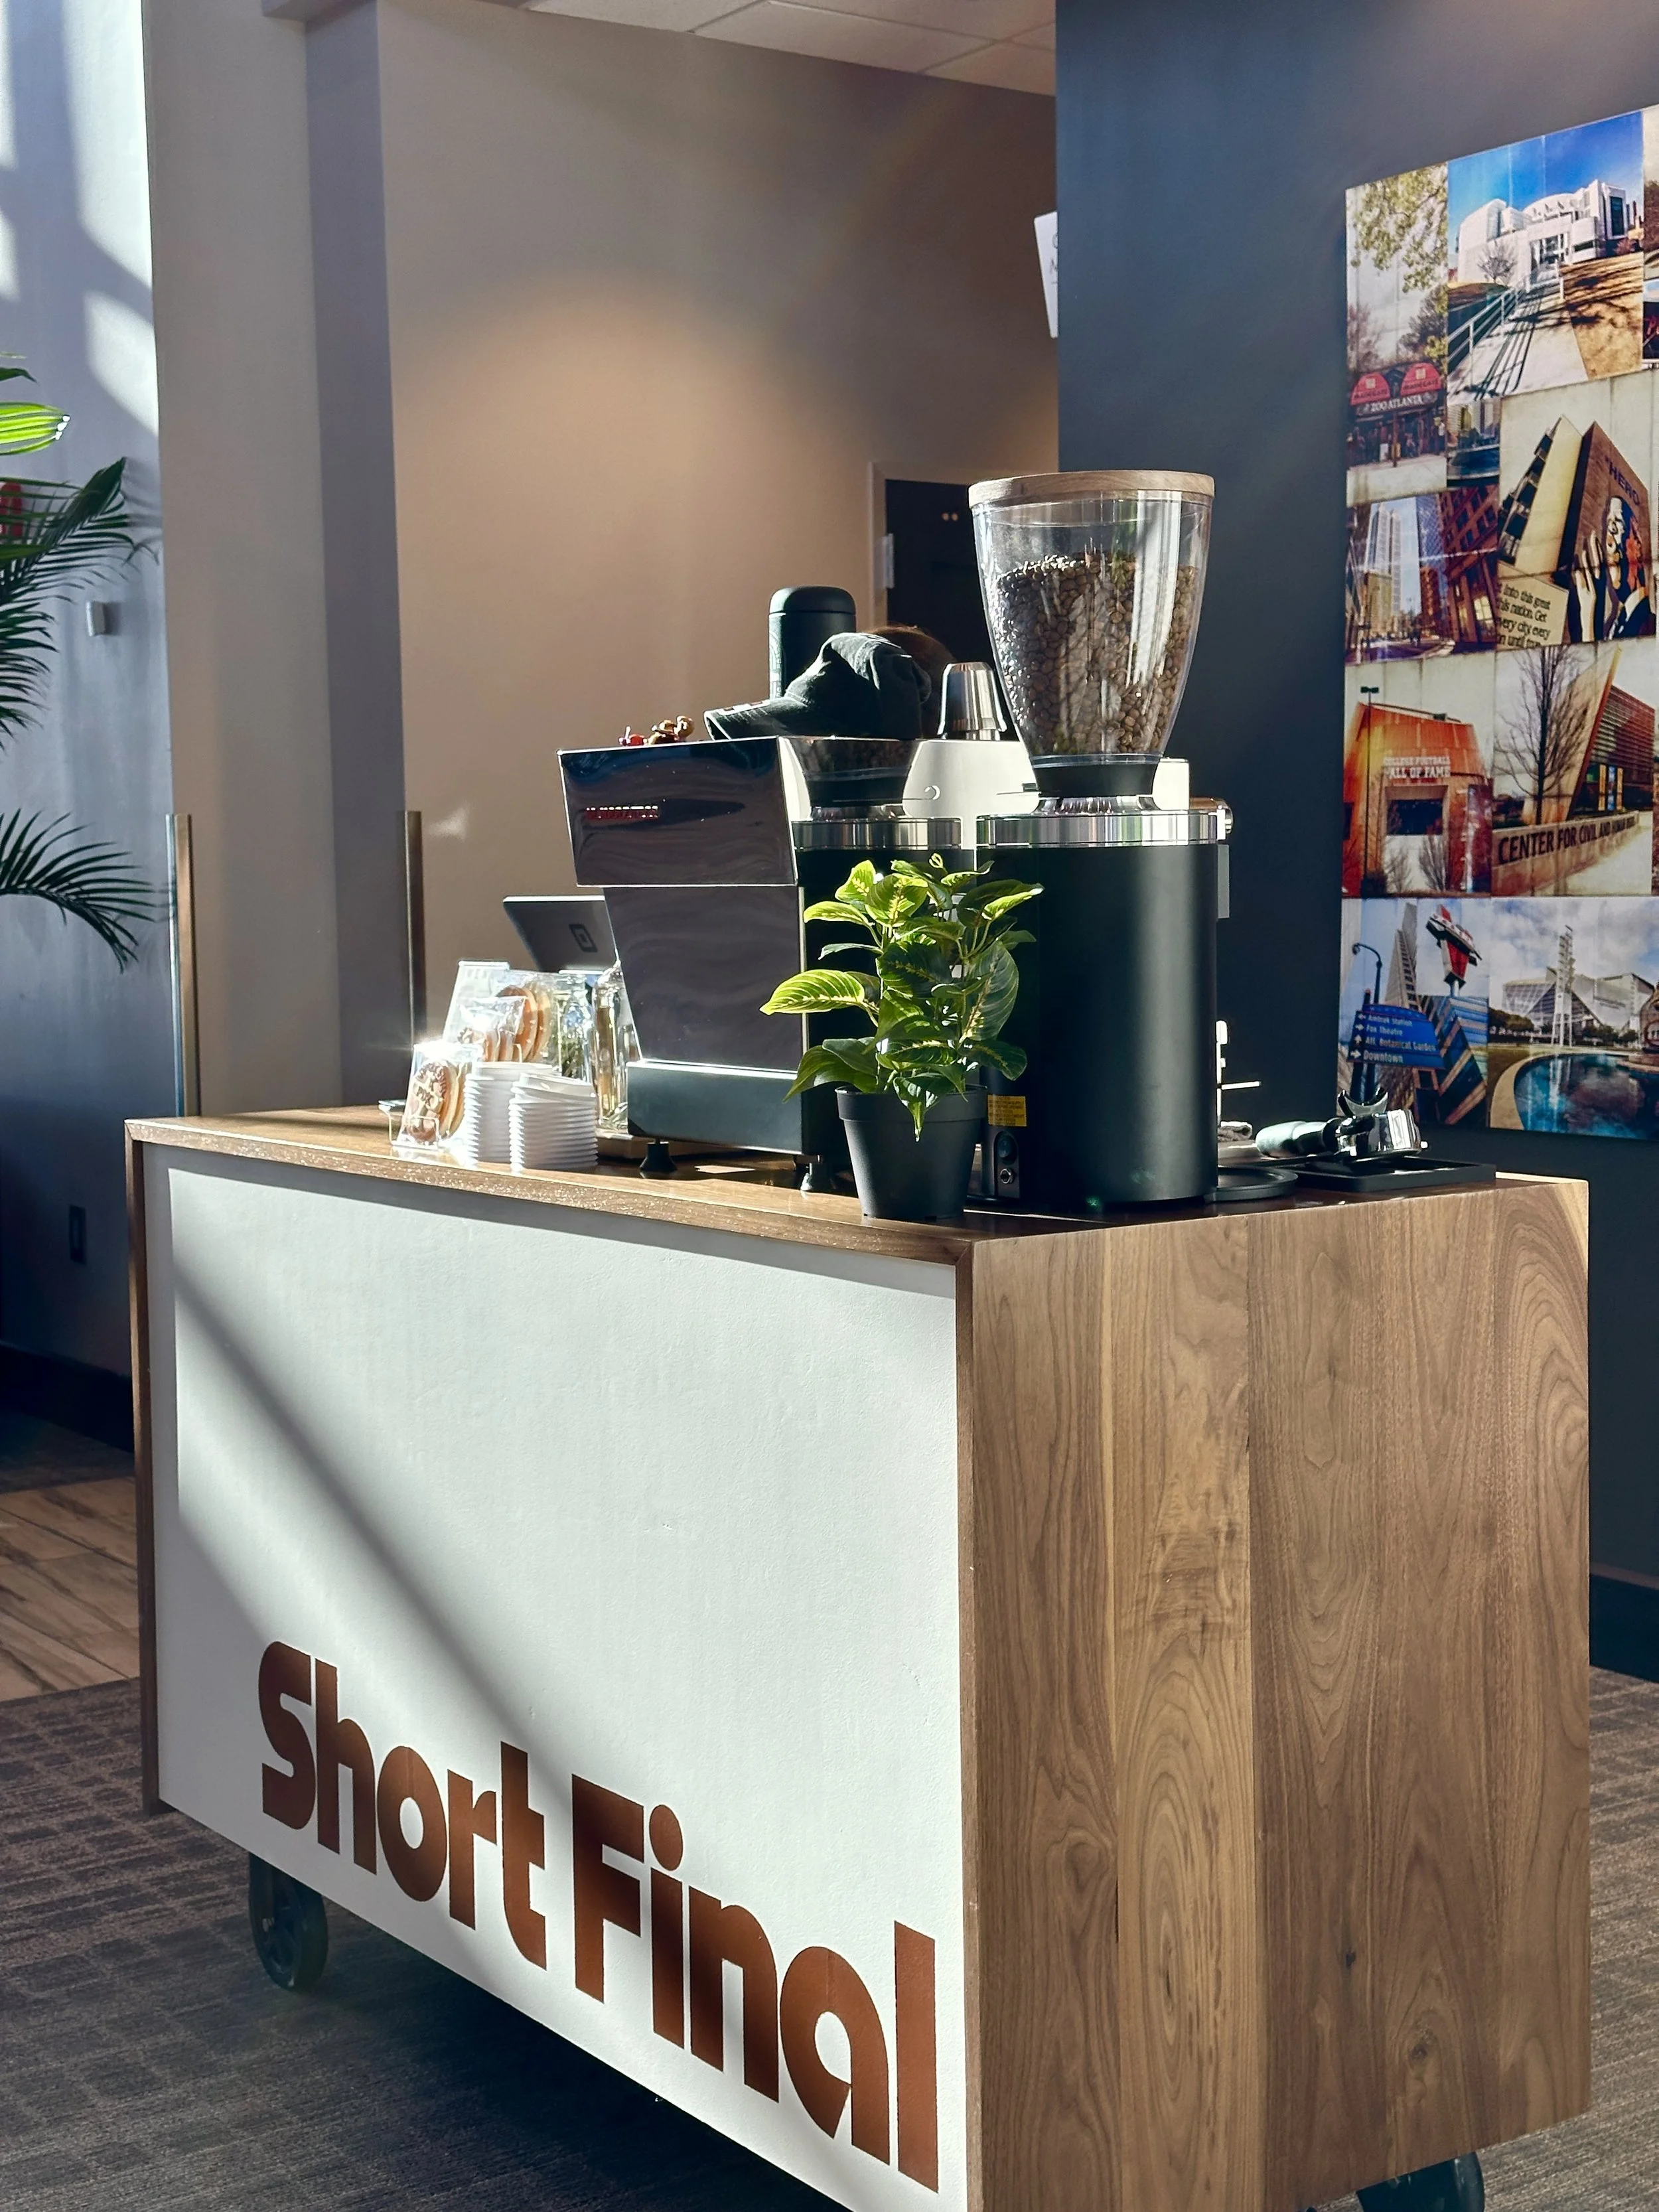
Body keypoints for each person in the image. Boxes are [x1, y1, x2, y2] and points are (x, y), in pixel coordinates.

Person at [1569, 492, 1654, 642]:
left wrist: (1588, 627)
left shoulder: (1650, 625)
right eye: (1608, 524)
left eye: (1619, 522)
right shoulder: (1613, 624)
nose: (1611, 530)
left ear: (1638, 546)